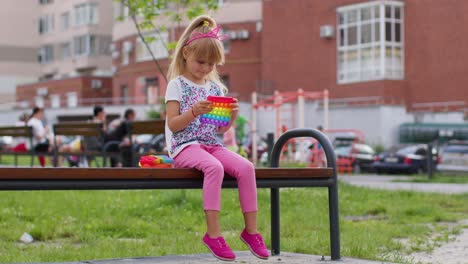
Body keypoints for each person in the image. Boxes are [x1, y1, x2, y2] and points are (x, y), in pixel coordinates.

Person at [165, 15, 269, 261]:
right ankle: (213, 234)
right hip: (183, 146)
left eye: (211, 64)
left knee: (246, 167)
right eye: (201, 62)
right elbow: (173, 125)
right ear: (186, 54)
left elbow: (220, 131)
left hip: (211, 144)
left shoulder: (215, 89)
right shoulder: (176, 85)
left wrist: (231, 117)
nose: (205, 68)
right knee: (214, 168)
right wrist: (193, 112)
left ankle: (251, 231)